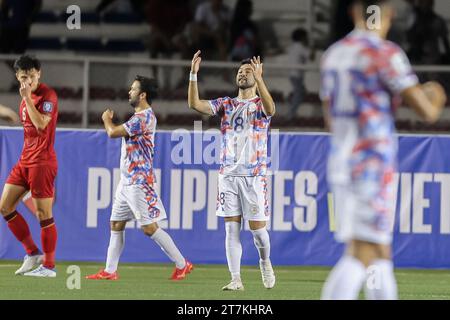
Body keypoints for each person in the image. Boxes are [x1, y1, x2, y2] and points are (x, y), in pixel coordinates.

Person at [320, 0, 446, 300]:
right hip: (371, 165)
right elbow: (427, 111)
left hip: (342, 160)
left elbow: (329, 118)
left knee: (380, 253)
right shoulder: (386, 53)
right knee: (363, 252)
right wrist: (437, 93)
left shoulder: (333, 55)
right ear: (388, 16)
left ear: (354, 11)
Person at [86, 76, 193, 281]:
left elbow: (112, 132)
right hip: (126, 182)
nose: (129, 92)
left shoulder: (143, 118)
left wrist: (106, 119)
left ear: (142, 94)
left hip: (139, 182)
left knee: (149, 228)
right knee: (116, 224)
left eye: (133, 89)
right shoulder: (140, 117)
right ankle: (110, 271)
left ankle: (182, 264)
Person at [188, 50, 276, 291]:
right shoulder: (226, 104)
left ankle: (265, 261)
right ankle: (236, 279)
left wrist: (260, 80)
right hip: (228, 175)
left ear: (256, 75)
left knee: (258, 233)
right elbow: (195, 104)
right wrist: (193, 75)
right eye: (240, 71)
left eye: (248, 71)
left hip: (254, 176)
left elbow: (272, 109)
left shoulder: (260, 104)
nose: (242, 74)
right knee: (231, 229)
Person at [0, 54, 59, 277]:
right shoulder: (24, 94)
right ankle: (32, 252)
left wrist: (26, 98)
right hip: (25, 161)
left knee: (44, 214)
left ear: (39, 74)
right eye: (24, 77)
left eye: (32, 76)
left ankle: (49, 266)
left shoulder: (48, 95)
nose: (28, 81)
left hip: (42, 162)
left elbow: (42, 125)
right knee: (5, 207)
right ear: (17, 76)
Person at [287, 28, 309, 116]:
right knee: (298, 94)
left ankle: (290, 104)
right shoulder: (300, 47)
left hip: (292, 74)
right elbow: (311, 56)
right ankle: (290, 114)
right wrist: (312, 47)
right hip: (297, 75)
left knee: (301, 92)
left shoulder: (292, 46)